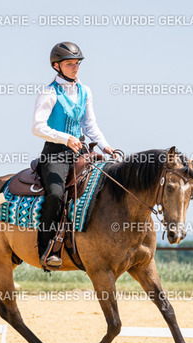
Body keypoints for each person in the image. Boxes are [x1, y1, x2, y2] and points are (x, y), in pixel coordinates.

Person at [32, 41, 114, 269]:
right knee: (56, 194)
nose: (75, 67)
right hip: (55, 155)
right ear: (56, 66)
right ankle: (47, 249)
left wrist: (106, 146)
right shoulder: (49, 92)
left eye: (77, 63)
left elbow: (90, 125)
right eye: (70, 64)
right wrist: (65, 138)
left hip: (80, 151)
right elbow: (37, 127)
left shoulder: (85, 91)